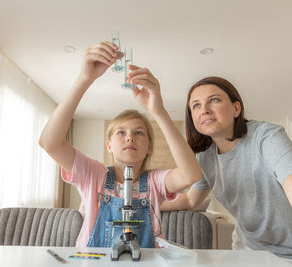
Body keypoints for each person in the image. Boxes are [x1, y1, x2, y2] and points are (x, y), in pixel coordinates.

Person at [39, 41, 201, 248]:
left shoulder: (155, 182)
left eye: (139, 133)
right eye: (121, 132)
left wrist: (158, 111)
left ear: (149, 146)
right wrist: (85, 78)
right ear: (109, 145)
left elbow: (191, 174)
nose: (129, 137)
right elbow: (49, 143)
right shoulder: (93, 174)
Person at [160, 76, 292, 266]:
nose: (204, 110)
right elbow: (190, 199)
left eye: (214, 100)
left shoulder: (266, 137)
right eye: (196, 105)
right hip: (249, 252)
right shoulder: (203, 157)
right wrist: (148, 201)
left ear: (236, 109)